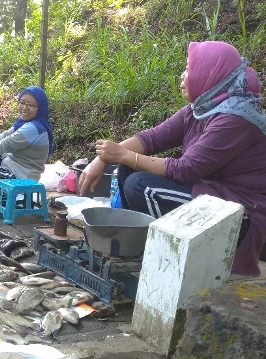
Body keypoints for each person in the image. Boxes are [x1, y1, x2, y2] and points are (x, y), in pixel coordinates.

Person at [79, 41, 266, 278]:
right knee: (127, 171)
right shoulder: (202, 108)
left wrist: (122, 154)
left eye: (189, 69)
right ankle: (133, 246)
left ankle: (169, 258)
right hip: (211, 192)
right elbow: (153, 138)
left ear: (210, 74)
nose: (183, 76)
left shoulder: (235, 118)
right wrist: (104, 159)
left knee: (143, 187)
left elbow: (186, 169)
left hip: (240, 213)